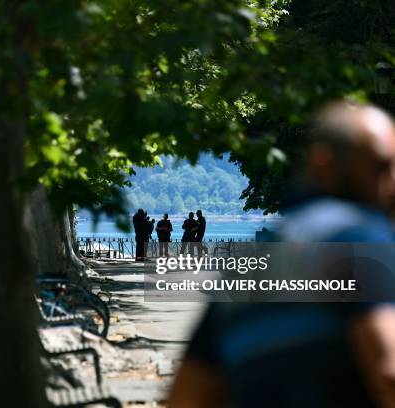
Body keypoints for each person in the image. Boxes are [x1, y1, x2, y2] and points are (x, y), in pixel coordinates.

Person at [169, 102, 395, 407]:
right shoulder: (357, 234)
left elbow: (187, 396)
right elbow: (388, 370)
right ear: (323, 164)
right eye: (380, 166)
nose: (392, 183)